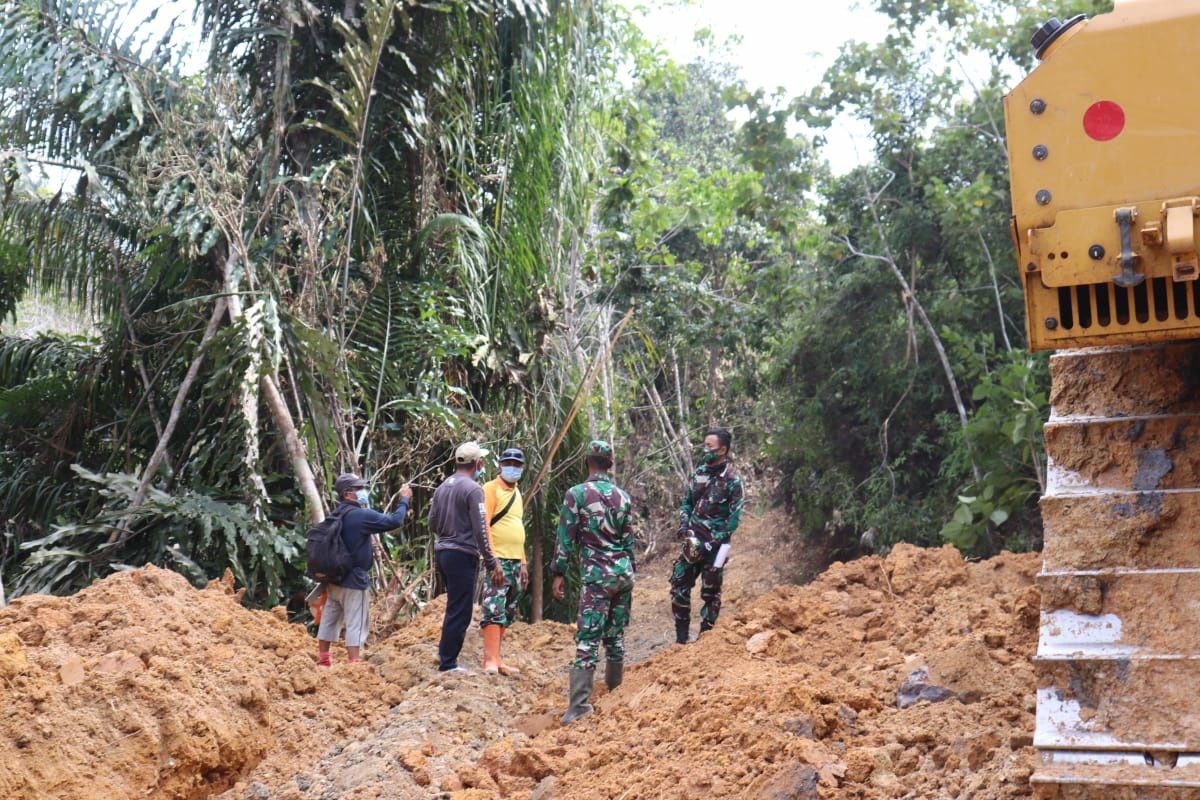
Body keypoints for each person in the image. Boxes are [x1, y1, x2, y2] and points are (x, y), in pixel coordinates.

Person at [551, 440, 636, 724]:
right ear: (609, 464)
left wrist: (559, 572)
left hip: (597, 576)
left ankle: (578, 706)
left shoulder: (576, 494)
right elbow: (628, 540)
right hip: (622, 574)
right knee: (615, 636)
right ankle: (617, 693)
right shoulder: (623, 497)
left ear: (587, 462)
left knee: (588, 638)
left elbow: (566, 538)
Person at [317, 472, 412, 666]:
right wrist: (404, 500)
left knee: (330, 618)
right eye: (358, 488)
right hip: (354, 580)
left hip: (334, 579)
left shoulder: (335, 515)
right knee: (356, 622)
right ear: (347, 494)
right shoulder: (361, 516)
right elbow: (395, 521)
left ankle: (324, 659)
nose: (363, 492)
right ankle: (354, 663)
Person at [428, 441, 505, 674]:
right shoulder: (473, 489)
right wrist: (492, 562)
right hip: (462, 554)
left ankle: (445, 654)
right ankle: (448, 663)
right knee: (461, 609)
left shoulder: (443, 487)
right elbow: (481, 528)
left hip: (443, 551)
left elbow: (431, 522)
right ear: (477, 463)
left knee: (454, 605)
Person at [670, 427, 744, 644]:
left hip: (718, 547)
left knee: (711, 591)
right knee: (679, 584)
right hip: (692, 541)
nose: (705, 449)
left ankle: (705, 637)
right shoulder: (699, 473)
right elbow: (686, 503)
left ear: (723, 450)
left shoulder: (732, 480)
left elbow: (734, 519)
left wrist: (712, 544)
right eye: (704, 445)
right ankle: (681, 638)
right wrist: (684, 525)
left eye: (709, 446)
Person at [480, 447, 530, 675]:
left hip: (515, 560)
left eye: (517, 464)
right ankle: (489, 660)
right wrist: (492, 561)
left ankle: (498, 659)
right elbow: (484, 526)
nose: (513, 467)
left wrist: (524, 562)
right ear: (500, 465)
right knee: (493, 607)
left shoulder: (518, 493)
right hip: (498, 559)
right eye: (509, 463)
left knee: (508, 609)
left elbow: (517, 528)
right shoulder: (490, 489)